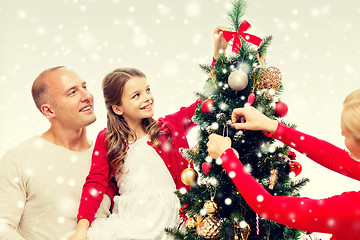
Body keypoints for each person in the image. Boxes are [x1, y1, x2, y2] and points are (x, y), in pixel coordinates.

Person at [69, 26, 228, 240]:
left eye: (148, 90)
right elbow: (95, 184)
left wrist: (218, 55)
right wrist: (81, 230)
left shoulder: (168, 127)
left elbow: (204, 103)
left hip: (172, 217)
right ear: (118, 108)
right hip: (132, 218)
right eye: (136, 95)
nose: (147, 97)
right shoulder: (107, 140)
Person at [206, 89, 360, 240]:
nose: (341, 134)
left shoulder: (352, 212)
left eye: (346, 133)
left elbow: (266, 205)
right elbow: (337, 158)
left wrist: (226, 156)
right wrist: (272, 126)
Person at [0, 66, 117, 240]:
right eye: (72, 92)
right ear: (49, 110)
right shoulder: (18, 159)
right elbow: (3, 228)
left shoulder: (109, 158)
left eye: (84, 87)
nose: (87, 96)